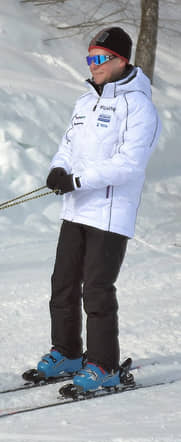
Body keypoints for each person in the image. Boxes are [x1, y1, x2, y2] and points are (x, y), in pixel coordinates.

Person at [36, 27, 161, 392]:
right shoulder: (84, 102)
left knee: (97, 289)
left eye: (100, 58)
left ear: (121, 60)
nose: (93, 65)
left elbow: (129, 165)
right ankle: (68, 352)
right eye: (90, 58)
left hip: (109, 211)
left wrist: (78, 180)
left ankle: (104, 365)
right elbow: (68, 145)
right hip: (76, 210)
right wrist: (59, 169)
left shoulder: (139, 106)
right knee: (62, 284)